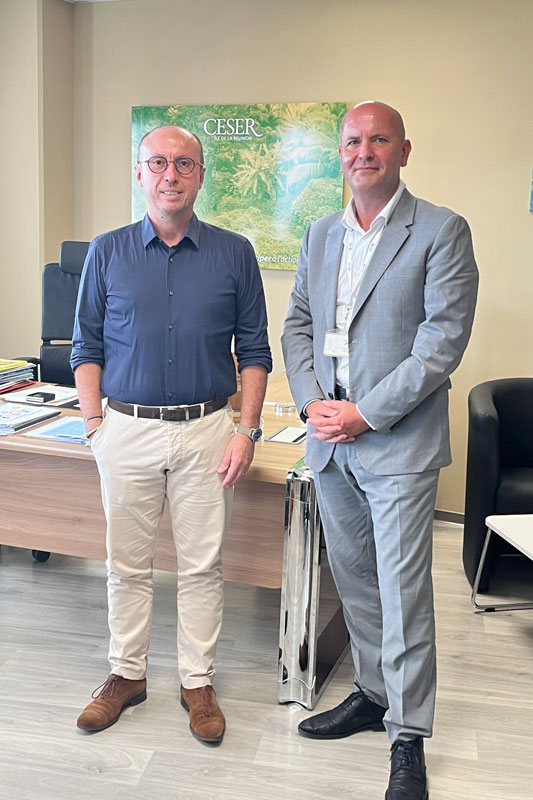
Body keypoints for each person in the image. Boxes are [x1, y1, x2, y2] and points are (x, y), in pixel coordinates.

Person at [282, 102, 478, 799]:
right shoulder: (320, 234)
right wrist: (313, 406)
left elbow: (440, 344)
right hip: (329, 442)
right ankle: (371, 694)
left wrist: (362, 413)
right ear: (340, 153)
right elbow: (299, 325)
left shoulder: (440, 230)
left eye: (377, 139)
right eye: (351, 141)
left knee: (402, 593)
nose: (362, 151)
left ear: (403, 150)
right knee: (358, 582)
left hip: (395, 443)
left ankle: (408, 737)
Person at [71, 124, 271, 744]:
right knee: (125, 565)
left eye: (184, 164)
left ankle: (196, 681)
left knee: (202, 567)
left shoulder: (235, 252)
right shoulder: (106, 252)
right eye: (158, 162)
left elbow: (256, 351)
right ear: (140, 173)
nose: (170, 174)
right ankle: (126, 675)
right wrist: (94, 426)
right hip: (125, 428)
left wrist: (247, 431)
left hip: (209, 430)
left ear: (201, 176)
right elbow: (86, 345)